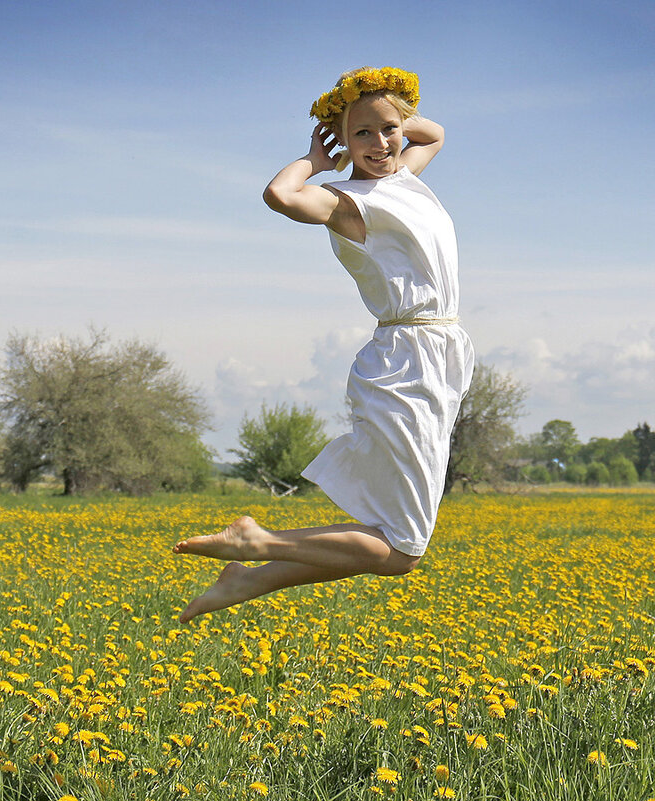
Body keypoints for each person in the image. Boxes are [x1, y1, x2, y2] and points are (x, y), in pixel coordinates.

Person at [174, 67, 474, 624]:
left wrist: (377, 102)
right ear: (343, 141)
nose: (381, 143)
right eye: (362, 134)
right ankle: (252, 542)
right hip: (407, 360)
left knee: (390, 539)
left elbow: (433, 135)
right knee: (402, 549)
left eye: (389, 129)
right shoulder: (349, 202)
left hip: (438, 356)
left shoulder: (403, 177)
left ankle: (246, 578)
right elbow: (279, 194)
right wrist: (318, 156)